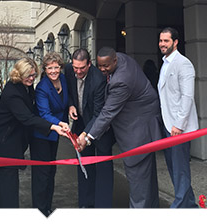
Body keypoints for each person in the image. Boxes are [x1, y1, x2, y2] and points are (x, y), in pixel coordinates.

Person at [79, 46, 162, 208]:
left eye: (106, 66)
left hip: (138, 130)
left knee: (138, 180)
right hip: (142, 120)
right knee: (147, 180)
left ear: (115, 60)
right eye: (100, 65)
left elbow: (108, 112)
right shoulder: (121, 58)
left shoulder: (121, 80)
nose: (102, 69)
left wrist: (88, 138)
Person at [0, 57, 68, 208]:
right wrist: (53, 126)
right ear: (19, 74)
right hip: (5, 141)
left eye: (33, 75)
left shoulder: (25, 86)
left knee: (6, 182)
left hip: (14, 139)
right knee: (8, 184)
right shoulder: (12, 92)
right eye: (28, 76)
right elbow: (27, 118)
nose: (32, 79)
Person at [64, 48, 115, 208]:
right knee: (84, 165)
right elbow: (70, 92)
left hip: (100, 127)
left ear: (89, 64)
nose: (78, 71)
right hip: (80, 123)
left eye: (82, 68)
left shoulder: (99, 79)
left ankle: (103, 206)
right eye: (75, 68)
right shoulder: (68, 70)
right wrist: (71, 105)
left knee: (104, 168)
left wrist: (86, 135)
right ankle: (86, 204)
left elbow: (99, 112)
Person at [158, 27, 198, 208]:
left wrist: (179, 125)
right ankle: (190, 205)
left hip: (178, 128)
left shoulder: (184, 63)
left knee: (180, 170)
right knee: (175, 169)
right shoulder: (165, 62)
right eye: (161, 41)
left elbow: (187, 97)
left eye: (166, 41)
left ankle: (179, 208)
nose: (162, 44)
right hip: (168, 125)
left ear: (175, 42)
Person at [30, 52, 69, 216]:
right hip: (42, 134)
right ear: (44, 70)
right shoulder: (42, 87)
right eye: (49, 68)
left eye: (56, 67)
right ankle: (39, 209)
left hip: (56, 133)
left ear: (60, 67)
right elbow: (44, 113)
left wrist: (72, 107)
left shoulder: (64, 80)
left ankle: (47, 206)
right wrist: (60, 124)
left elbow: (67, 100)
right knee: (42, 174)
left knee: (51, 171)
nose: (53, 71)